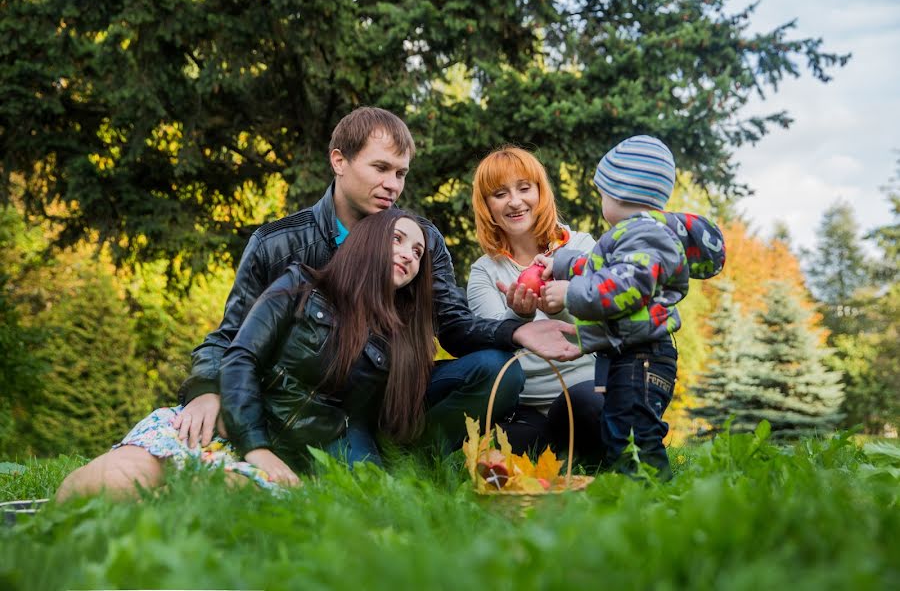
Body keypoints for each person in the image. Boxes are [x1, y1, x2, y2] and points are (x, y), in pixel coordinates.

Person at [56, 107, 580, 500]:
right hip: (291, 405)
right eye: (380, 168)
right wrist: (207, 390)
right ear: (339, 161)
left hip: (376, 403)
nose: (392, 185)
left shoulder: (418, 238)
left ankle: (413, 458)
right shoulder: (284, 249)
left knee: (496, 371)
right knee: (152, 471)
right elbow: (234, 336)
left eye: (401, 173)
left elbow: (457, 328)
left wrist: (515, 329)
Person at [57, 211, 435, 496]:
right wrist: (254, 446)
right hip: (230, 427)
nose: (408, 255)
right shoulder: (300, 285)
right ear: (366, 241)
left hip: (287, 464)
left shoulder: (398, 345)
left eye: (418, 251)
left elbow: (363, 426)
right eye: (397, 240)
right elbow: (241, 357)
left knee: (203, 500)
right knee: (110, 480)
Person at [534, 135, 726, 479]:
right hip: (635, 354)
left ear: (620, 193)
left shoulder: (644, 236)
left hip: (644, 358)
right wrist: (559, 264)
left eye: (602, 194)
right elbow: (598, 266)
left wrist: (569, 293)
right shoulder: (635, 236)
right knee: (621, 427)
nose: (601, 202)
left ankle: (652, 499)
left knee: (635, 434)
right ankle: (634, 493)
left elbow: (625, 288)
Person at [467, 146, 603, 458]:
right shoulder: (484, 271)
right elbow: (492, 346)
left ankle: (580, 451)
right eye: (500, 194)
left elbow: (609, 318)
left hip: (584, 389)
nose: (515, 201)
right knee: (496, 455)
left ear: (540, 193)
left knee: (588, 407)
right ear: (486, 206)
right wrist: (518, 316)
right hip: (524, 405)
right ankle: (558, 450)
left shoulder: (580, 247)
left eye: (524, 189)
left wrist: (563, 305)